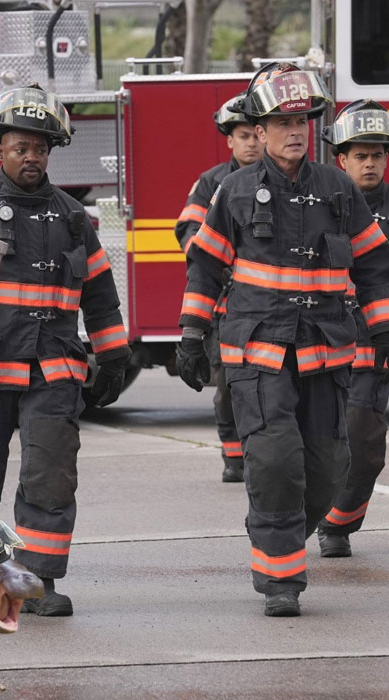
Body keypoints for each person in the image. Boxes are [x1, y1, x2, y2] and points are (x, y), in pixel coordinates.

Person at [176, 63, 389, 617]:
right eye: (282, 122)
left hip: (325, 350)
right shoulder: (233, 190)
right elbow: (204, 268)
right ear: (261, 130)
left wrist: (384, 327)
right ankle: (280, 579)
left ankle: (278, 526)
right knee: (273, 460)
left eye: (303, 120)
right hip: (257, 352)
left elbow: (371, 265)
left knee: (328, 465)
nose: (295, 130)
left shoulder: (339, 189)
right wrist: (192, 332)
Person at [0, 85, 131, 617]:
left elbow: (100, 297)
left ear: (50, 151)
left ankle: (37, 581)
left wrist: (114, 358)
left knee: (50, 476)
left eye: (39, 148)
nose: (30, 157)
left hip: (52, 371)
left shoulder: (72, 218)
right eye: (20, 148)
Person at [175, 94, 264, 483]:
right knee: (229, 386)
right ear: (229, 139)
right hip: (227, 306)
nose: (250, 144)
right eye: (242, 136)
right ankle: (234, 458)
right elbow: (189, 230)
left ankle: (262, 453)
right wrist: (214, 261)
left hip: (269, 302)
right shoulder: (213, 182)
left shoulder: (282, 178)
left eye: (254, 135)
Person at [316, 100, 389, 557]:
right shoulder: (325, 208)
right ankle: (337, 522)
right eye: (360, 155)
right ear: (341, 160)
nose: (370, 163)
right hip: (357, 348)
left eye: (377, 155)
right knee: (362, 447)